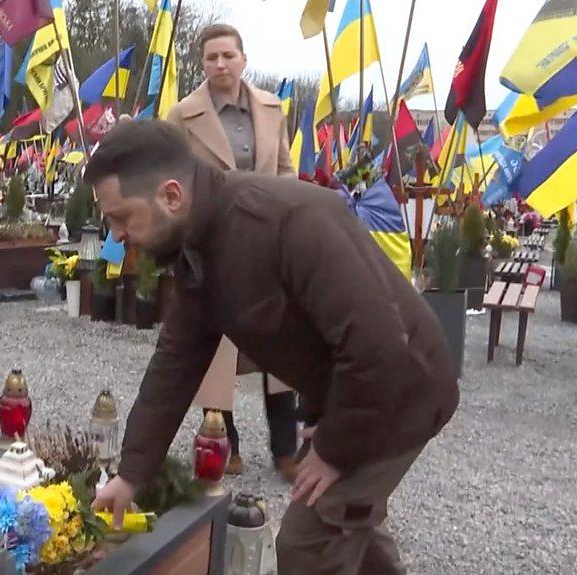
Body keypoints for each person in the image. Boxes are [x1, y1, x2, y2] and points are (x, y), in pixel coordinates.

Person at [88, 121, 458, 575]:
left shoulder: (286, 221)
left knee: (309, 545)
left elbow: (379, 347)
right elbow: (176, 363)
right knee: (350, 529)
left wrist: (336, 445)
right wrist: (131, 475)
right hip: (356, 389)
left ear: (171, 195)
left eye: (122, 217)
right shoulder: (197, 244)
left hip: (401, 389)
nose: (117, 236)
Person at [166, 23, 298, 482]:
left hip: (266, 243)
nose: (220, 64)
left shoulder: (270, 108)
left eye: (228, 55)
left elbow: (284, 169)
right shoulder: (183, 115)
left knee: (281, 345)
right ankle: (224, 442)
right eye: (211, 57)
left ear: (243, 59)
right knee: (217, 349)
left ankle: (287, 448)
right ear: (201, 64)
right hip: (212, 247)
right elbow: (171, 181)